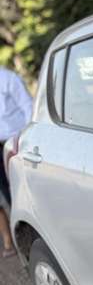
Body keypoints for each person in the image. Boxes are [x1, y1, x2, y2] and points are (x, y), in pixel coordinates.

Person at [0, 65, 33, 258]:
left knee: (19, 191)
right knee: (4, 192)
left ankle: (28, 238)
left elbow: (27, 106)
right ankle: (14, 238)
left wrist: (25, 139)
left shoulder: (8, 79)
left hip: (13, 143)